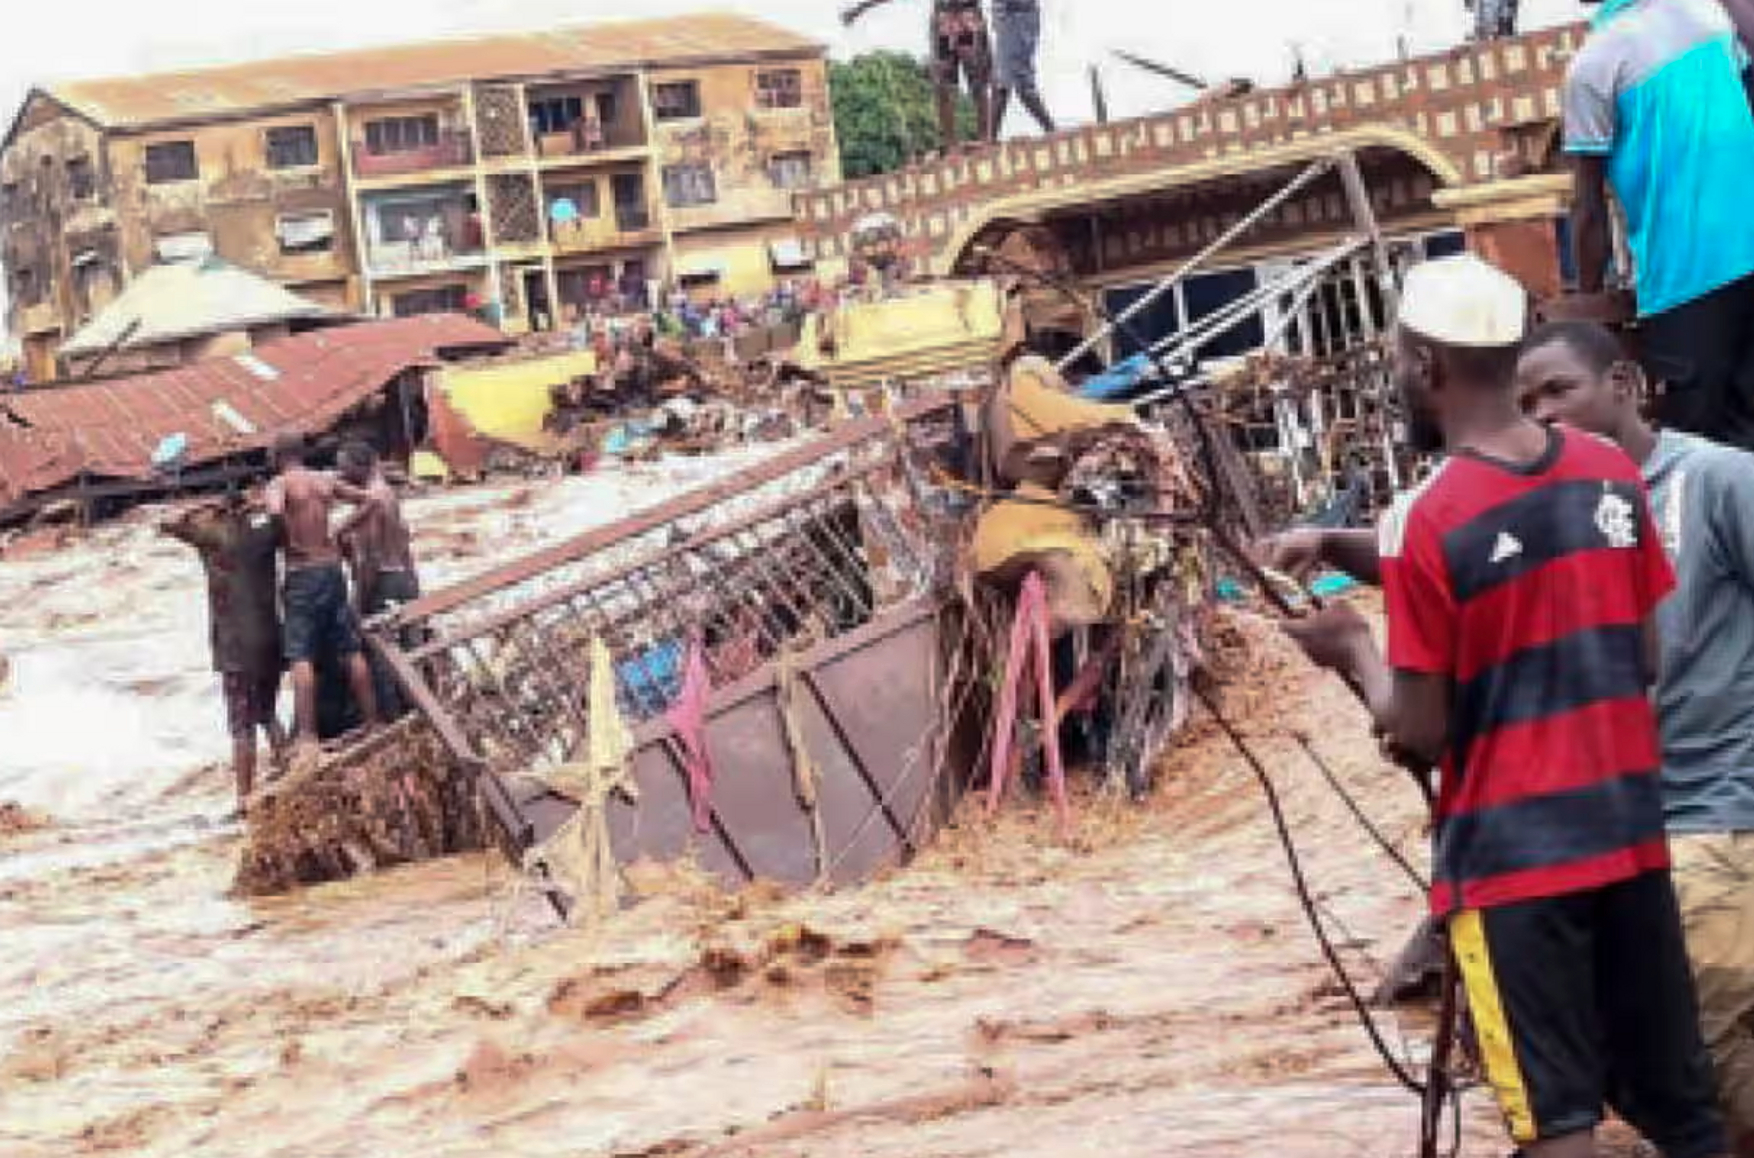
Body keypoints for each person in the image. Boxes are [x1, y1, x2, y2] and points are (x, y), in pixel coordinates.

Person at [1281, 255, 1726, 1158]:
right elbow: (1642, 657)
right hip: (1633, 844)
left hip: (1515, 875)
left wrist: (1352, 647)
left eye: (1399, 361)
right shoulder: (1609, 473)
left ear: (1426, 366)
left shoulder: (1425, 517)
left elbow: (1420, 727)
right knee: (1685, 1115)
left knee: (1556, 1122)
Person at [1516, 320, 1754, 1155]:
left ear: (1624, 384)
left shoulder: (1716, 480)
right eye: (1525, 404)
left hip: (1719, 808)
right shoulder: (1552, 513)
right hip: (1613, 830)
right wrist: (1337, 545)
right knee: (1611, 1055)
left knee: (1709, 1047)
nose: (1543, 416)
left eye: (1558, 391)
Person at [1566, 0, 1754, 447]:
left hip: (1683, 286)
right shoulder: (1711, 19)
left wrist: (1588, 304)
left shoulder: (1593, 65)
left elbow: (1589, 209)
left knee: (1700, 448)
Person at [161, 494, 287, 814]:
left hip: (235, 648)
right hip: (271, 641)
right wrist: (258, 506)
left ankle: (244, 798)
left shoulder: (212, 539)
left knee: (242, 727)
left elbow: (167, 522)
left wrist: (202, 506)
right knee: (268, 715)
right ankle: (288, 772)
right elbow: (280, 519)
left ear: (222, 515)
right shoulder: (264, 537)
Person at [264, 434, 381, 750]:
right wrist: (340, 529)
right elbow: (370, 501)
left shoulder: (279, 484)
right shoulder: (323, 480)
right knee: (350, 648)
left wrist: (287, 542)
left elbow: (274, 512)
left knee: (300, 655)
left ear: (277, 456)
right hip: (331, 569)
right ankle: (373, 721)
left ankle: (307, 735)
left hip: (302, 573)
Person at [337, 441, 421, 721]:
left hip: (384, 583)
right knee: (412, 650)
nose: (342, 475)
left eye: (345, 468)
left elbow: (369, 557)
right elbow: (404, 544)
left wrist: (360, 600)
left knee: (383, 655)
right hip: (404, 578)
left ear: (359, 467)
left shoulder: (371, 501)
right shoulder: (388, 494)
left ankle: (395, 720)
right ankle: (420, 713)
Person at [842, 0, 994, 148]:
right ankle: (951, 143)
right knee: (942, 85)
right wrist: (860, 8)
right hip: (943, 19)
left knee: (978, 82)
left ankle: (984, 138)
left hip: (969, 17)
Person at [991, 0, 1054, 136]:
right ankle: (1050, 129)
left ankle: (1050, 129)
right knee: (1011, 81)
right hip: (1012, 14)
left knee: (1011, 81)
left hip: (1016, 15)